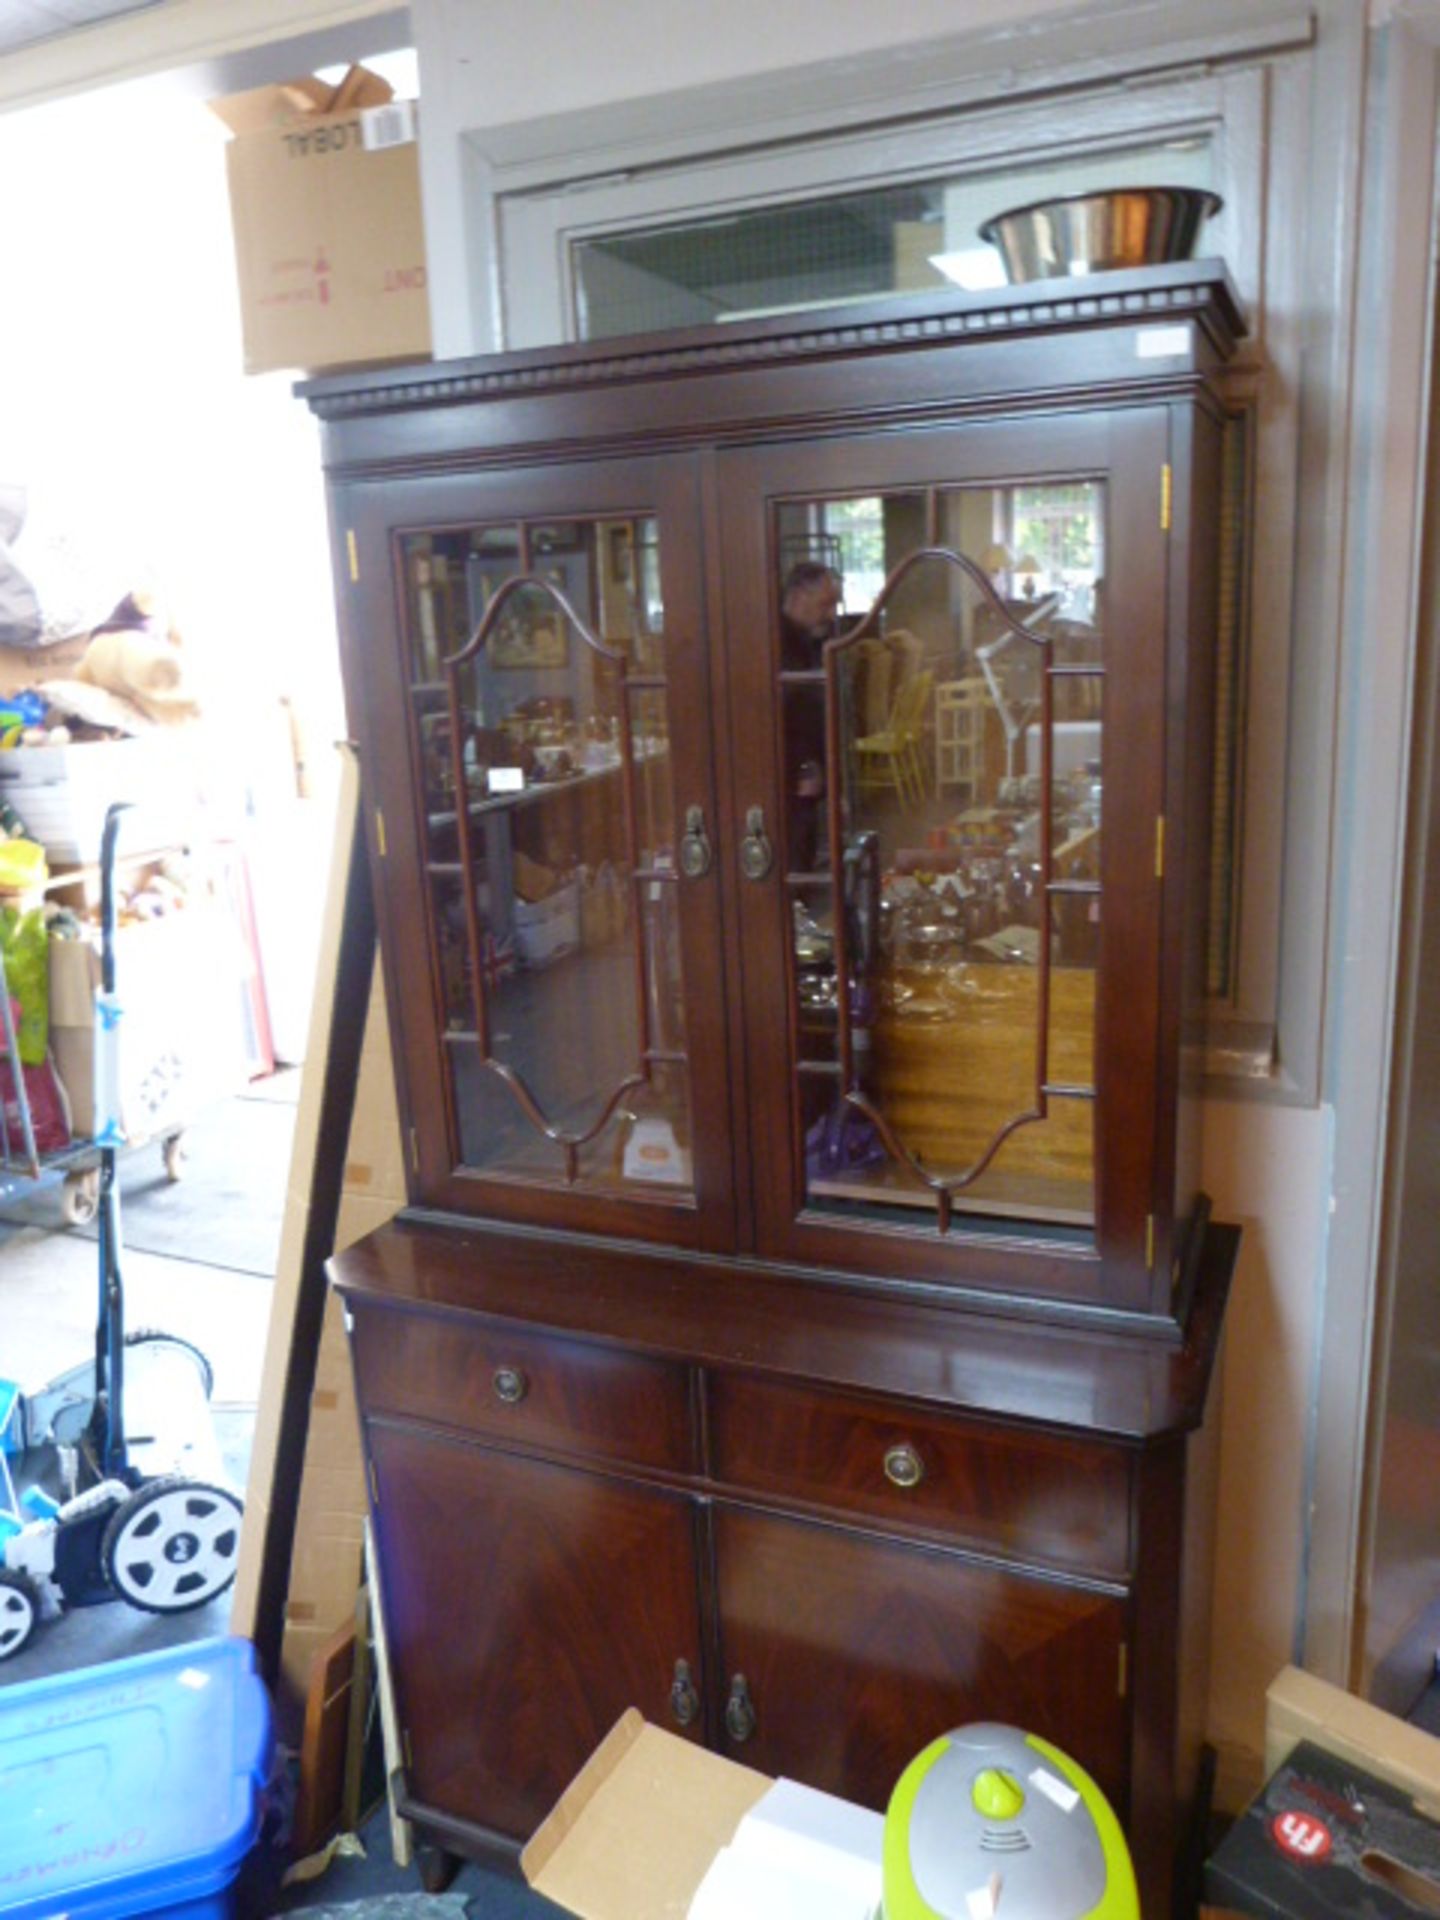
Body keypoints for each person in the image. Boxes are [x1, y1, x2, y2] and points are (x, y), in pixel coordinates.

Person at [778, 561, 842, 868]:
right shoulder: (774, 643)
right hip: (786, 779)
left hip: (806, 777)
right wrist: (804, 765)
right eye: (825, 605)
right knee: (793, 862)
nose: (831, 615)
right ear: (798, 595)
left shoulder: (808, 641)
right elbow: (784, 714)